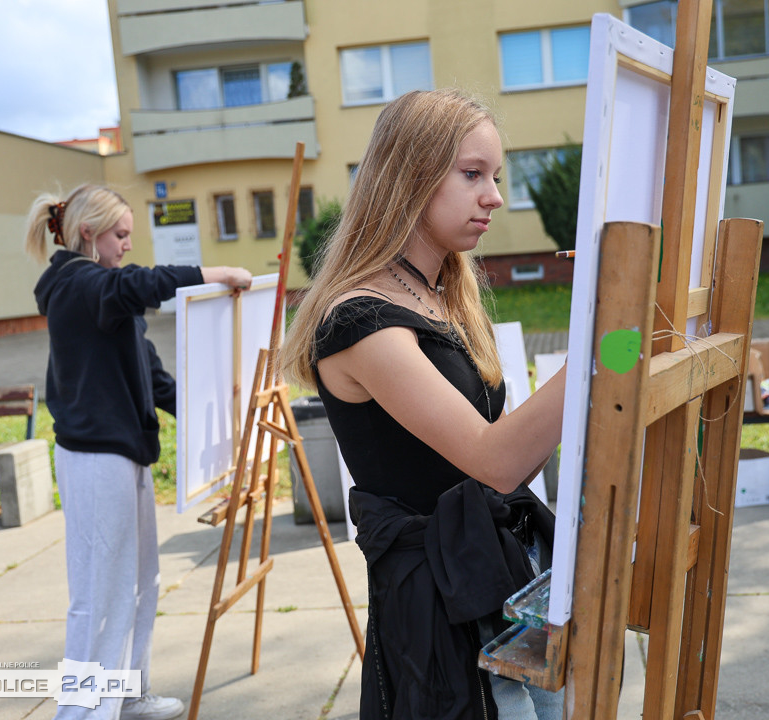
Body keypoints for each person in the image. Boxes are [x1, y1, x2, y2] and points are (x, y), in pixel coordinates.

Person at [281, 89, 568, 719]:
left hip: (497, 582)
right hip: (442, 611)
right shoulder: (361, 321)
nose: (493, 195)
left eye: (494, 176)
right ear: (409, 178)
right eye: (473, 174)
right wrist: (603, 353)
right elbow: (495, 460)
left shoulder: (445, 296)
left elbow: (508, 458)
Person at [24, 184, 253, 720]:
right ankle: (82, 712)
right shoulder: (79, 283)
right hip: (95, 460)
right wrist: (217, 275)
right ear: (89, 232)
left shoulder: (104, 300)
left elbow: (154, 380)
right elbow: (140, 283)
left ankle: (125, 694)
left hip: (123, 456)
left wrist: (225, 416)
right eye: (121, 234)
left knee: (137, 581)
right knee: (99, 594)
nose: (128, 244)